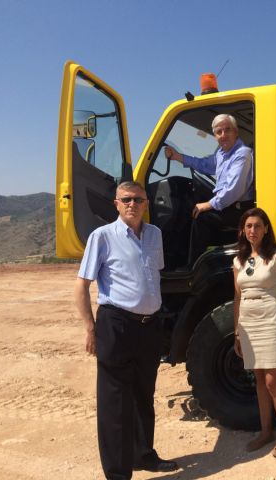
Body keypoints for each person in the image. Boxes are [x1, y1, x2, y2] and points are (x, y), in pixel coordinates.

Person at [74, 181, 178, 479]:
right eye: (126, 199)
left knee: (144, 395)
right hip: (116, 324)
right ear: (116, 204)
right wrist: (90, 329)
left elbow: (152, 277)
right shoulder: (102, 237)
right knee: (115, 402)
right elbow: (81, 285)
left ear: (146, 204)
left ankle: (144, 455)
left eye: (138, 199)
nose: (132, 204)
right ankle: (118, 473)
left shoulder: (154, 235)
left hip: (149, 327)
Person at [232, 208, 276, 458]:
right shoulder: (238, 261)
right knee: (259, 380)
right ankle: (265, 432)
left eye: (257, 226)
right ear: (243, 230)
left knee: (274, 381)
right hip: (248, 322)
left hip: (270, 319)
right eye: (248, 226)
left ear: (266, 229)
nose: (253, 231)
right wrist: (237, 332)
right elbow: (237, 296)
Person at [165, 113, 255, 262]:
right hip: (229, 206)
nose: (223, 135)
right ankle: (177, 258)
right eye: (219, 132)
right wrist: (177, 156)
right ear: (215, 136)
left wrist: (208, 204)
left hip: (240, 209)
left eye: (227, 130)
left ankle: (193, 267)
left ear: (236, 132)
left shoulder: (242, 154)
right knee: (191, 211)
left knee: (201, 217)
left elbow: (234, 190)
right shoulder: (222, 154)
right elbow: (204, 164)